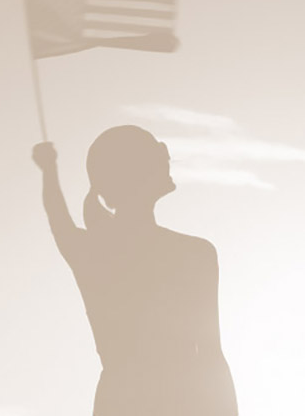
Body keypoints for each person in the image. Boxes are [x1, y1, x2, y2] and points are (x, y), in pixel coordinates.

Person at [32, 125, 238, 416]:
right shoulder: (196, 254)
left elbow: (57, 217)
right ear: (139, 171)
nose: (166, 157)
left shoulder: (91, 252)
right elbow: (211, 356)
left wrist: (48, 170)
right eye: (158, 152)